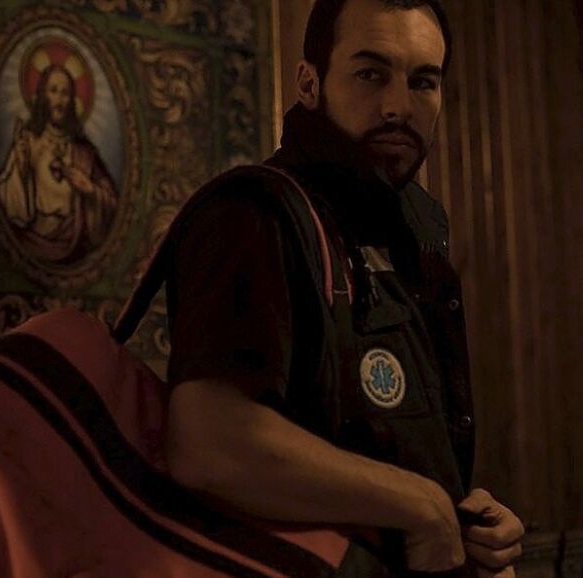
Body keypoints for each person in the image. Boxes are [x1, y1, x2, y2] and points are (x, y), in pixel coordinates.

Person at [164, 0, 524, 576]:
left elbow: (386, 444)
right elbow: (207, 443)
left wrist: (466, 524)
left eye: (423, 82)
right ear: (309, 84)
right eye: (370, 74)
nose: (399, 106)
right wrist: (422, 506)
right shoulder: (254, 215)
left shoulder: (412, 227)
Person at [0, 64, 118, 263]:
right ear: (43, 96)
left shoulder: (84, 152)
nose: (59, 101)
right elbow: (7, 204)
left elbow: (112, 204)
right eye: (53, 91)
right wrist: (21, 168)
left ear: (72, 101)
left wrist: (90, 189)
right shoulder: (27, 142)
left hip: (74, 248)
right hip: (30, 243)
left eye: (65, 93)